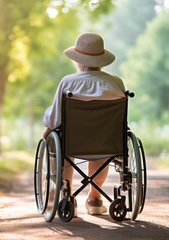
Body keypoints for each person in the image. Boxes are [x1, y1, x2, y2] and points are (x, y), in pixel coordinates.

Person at [42, 32, 126, 216]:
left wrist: (47, 130)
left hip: (74, 142)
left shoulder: (68, 82)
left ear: (77, 60)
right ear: (102, 60)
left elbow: (55, 118)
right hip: (107, 142)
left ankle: (67, 194)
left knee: (60, 142)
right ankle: (95, 198)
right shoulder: (116, 83)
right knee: (101, 146)